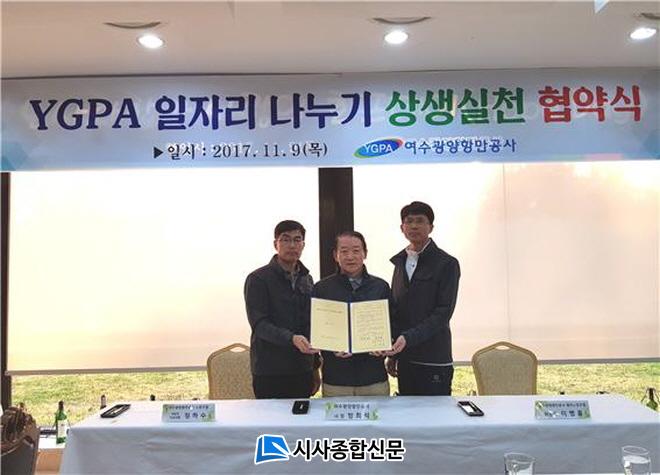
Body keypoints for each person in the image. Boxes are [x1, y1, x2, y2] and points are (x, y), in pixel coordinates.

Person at [386, 201, 460, 396]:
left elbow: (443, 312)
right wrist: (394, 354)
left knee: (435, 413)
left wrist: (408, 338)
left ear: (431, 227)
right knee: (407, 412)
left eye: (420, 221)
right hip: (406, 359)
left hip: (434, 358)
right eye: (409, 221)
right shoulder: (400, 262)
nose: (414, 226)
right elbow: (397, 309)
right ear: (402, 228)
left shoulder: (447, 263)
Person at [244, 220, 320, 399]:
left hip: (302, 368)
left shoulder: (307, 279)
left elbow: (311, 322)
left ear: (303, 245)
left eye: (297, 240)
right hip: (270, 370)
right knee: (272, 417)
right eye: (285, 239)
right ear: (275, 244)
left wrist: (315, 366)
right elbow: (259, 324)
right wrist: (291, 338)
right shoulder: (258, 279)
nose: (292, 245)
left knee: (302, 416)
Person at [313, 231, 391, 397]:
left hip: (374, 378)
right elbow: (314, 329)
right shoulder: (322, 288)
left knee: (377, 415)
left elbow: (393, 323)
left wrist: (385, 345)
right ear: (335, 255)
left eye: (356, 251)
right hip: (336, 379)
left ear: (365, 253)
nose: (350, 256)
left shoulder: (380, 287)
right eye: (344, 251)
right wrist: (330, 347)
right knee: (335, 415)